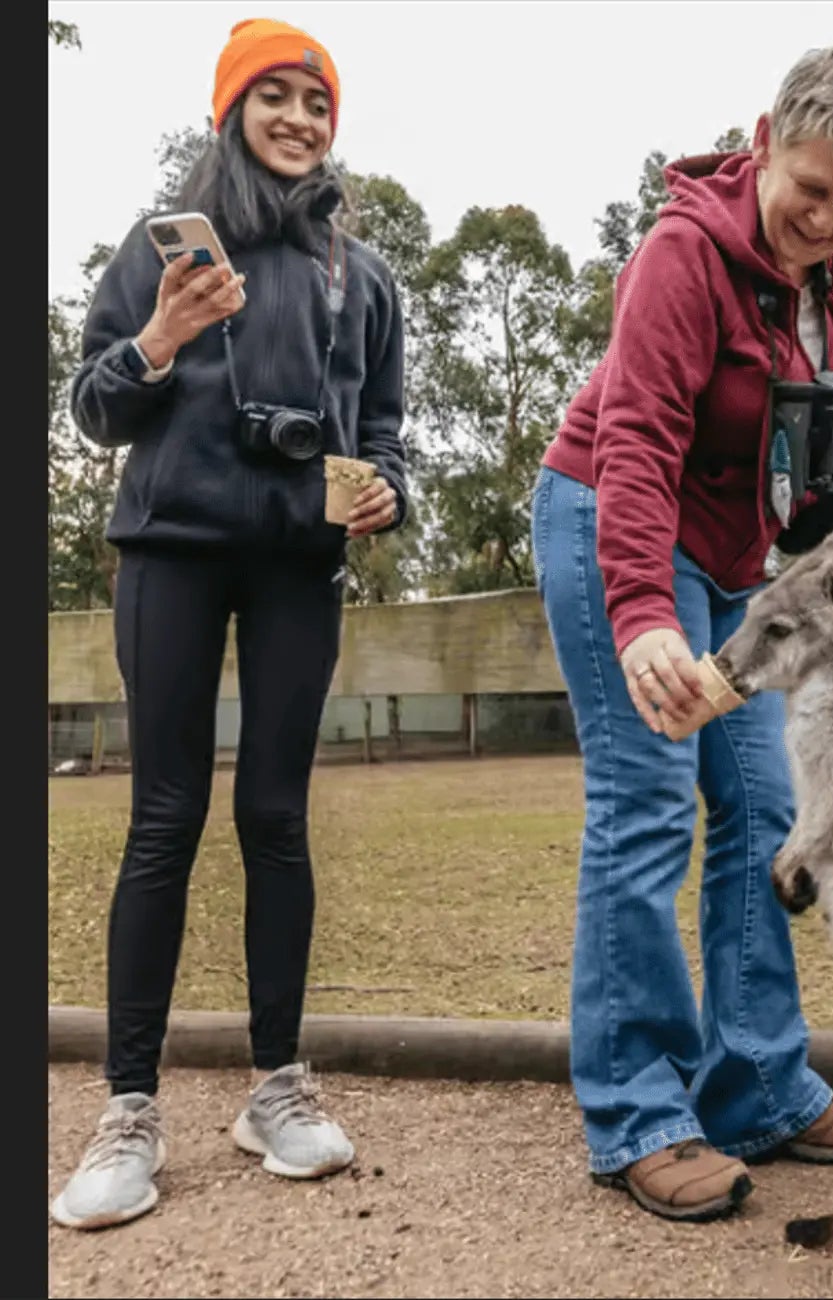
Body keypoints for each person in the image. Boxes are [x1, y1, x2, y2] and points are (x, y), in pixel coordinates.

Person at [533, 46, 833, 1222]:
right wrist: (640, 615)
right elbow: (640, 444)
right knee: (648, 800)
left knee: (768, 809)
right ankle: (636, 1113)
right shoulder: (682, 257)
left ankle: (759, 1082)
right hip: (613, 518)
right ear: (767, 141)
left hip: (727, 558)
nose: (824, 219)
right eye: (809, 189)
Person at [52, 18, 410, 1230]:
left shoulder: (364, 279)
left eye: (319, 99)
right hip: (171, 553)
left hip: (298, 566)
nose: (302, 117)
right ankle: (130, 1109)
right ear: (231, 110)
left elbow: (391, 428)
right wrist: (163, 335)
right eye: (277, 95)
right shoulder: (153, 255)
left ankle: (277, 1085)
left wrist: (387, 491)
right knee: (165, 814)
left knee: (275, 815)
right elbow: (94, 407)